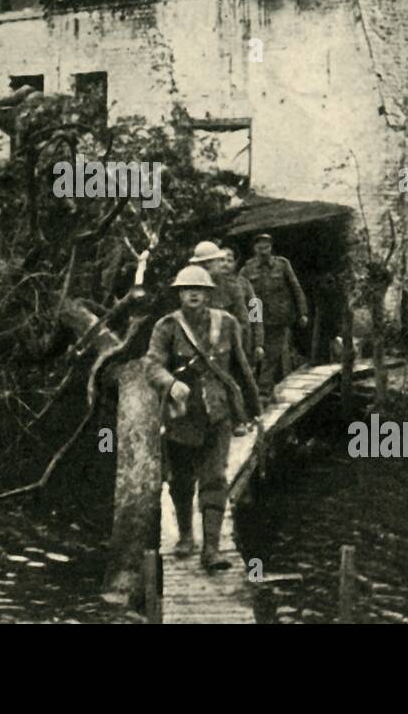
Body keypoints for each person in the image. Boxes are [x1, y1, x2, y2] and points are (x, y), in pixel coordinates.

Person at [147, 264, 260, 571]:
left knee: (214, 479)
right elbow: (152, 366)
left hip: (217, 414)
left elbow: (240, 368)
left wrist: (253, 410)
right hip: (180, 417)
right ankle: (185, 535)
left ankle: (212, 549)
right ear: (179, 294)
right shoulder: (167, 327)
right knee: (181, 481)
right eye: (187, 290)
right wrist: (171, 384)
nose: (193, 294)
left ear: (209, 294)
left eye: (199, 290)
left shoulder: (227, 324)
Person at [239, 232, 309, 403]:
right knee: (255, 354)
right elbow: (240, 295)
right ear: (254, 248)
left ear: (271, 248)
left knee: (272, 355)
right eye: (260, 247)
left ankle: (263, 393)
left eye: (266, 247)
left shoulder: (282, 265)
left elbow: (295, 288)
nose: (263, 251)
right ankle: (255, 392)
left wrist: (303, 312)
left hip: (278, 318)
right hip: (256, 319)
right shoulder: (247, 269)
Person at [187, 240, 265, 369]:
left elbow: (253, 314)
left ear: (235, 263)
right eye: (222, 260)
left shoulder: (242, 285)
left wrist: (258, 342)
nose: (225, 264)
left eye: (229, 260)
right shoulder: (193, 286)